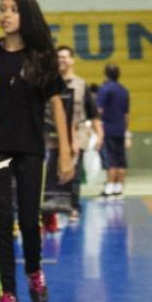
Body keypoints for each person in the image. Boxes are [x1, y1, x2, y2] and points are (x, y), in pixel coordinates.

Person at [0, 0, 74, 302]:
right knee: (2, 223)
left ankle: (35, 271)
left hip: (30, 149)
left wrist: (65, 153)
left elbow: (56, 104)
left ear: (27, 15)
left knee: (28, 219)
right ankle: (7, 295)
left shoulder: (41, 58)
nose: (5, 15)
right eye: (2, 9)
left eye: (13, 9)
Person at [56, 45, 103, 219]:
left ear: (72, 60)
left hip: (79, 132)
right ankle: (55, 204)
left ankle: (73, 206)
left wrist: (99, 134)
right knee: (55, 170)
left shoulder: (81, 84)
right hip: (55, 134)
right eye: (59, 57)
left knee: (74, 170)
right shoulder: (51, 83)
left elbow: (93, 113)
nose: (62, 60)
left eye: (65, 57)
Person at [97, 63, 130, 197]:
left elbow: (99, 110)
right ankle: (119, 187)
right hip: (121, 129)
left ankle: (109, 187)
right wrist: (127, 132)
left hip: (108, 129)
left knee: (110, 159)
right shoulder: (124, 90)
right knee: (121, 159)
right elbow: (126, 115)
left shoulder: (104, 89)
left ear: (105, 74)